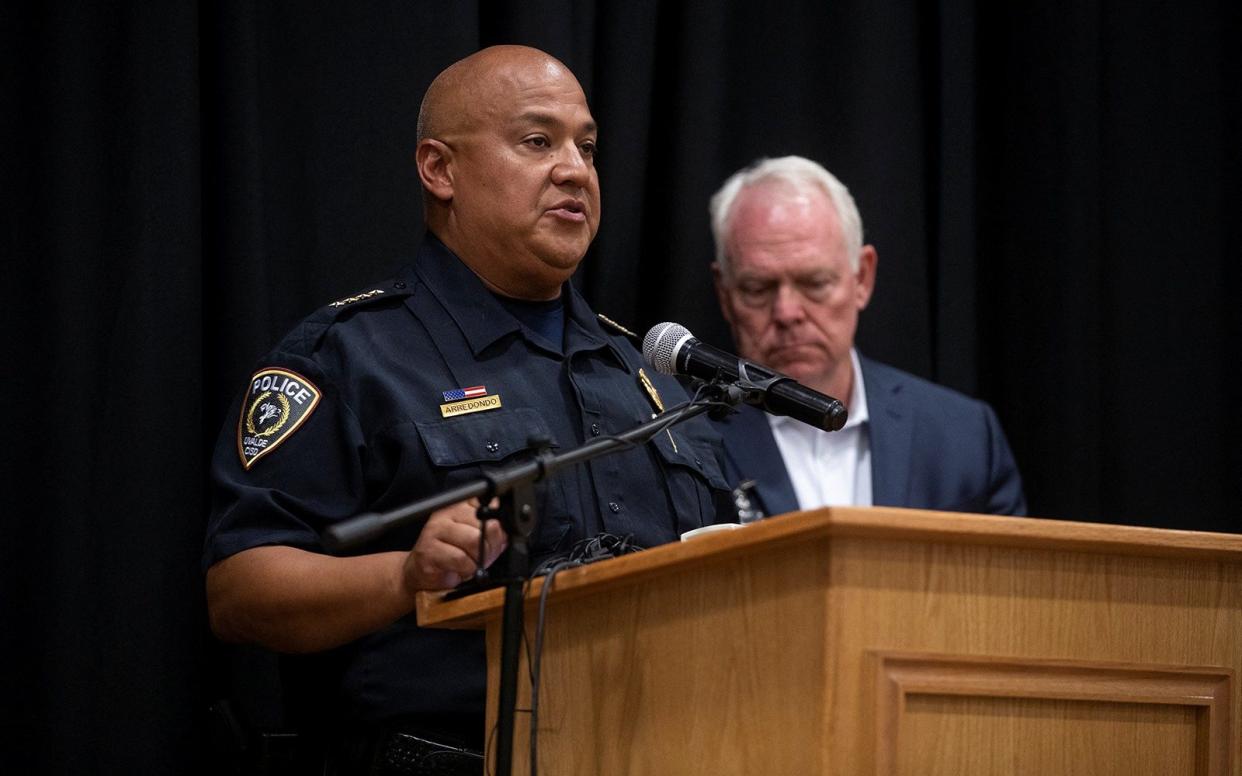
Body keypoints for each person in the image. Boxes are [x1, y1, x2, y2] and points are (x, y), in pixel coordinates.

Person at [204, 45, 730, 773]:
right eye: (537, 141)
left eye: (587, 146)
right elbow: (240, 590)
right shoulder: (352, 357)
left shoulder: (644, 375)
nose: (575, 168)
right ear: (439, 169)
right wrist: (403, 577)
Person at [708, 156, 1026, 517]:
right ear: (724, 293)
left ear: (862, 278)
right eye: (757, 288)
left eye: (814, 283)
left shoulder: (962, 438)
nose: (787, 312)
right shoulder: (681, 439)